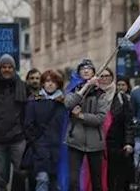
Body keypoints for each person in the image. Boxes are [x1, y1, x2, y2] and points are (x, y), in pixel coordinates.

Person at [0, 54, 29, 191]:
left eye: (10, 67)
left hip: (18, 137)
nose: (7, 70)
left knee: (21, 173)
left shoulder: (23, 88)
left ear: (14, 69)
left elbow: (27, 112)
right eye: (4, 67)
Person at [63, 59, 106, 191]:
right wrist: (86, 87)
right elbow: (68, 104)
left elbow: (100, 118)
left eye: (89, 68)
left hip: (95, 142)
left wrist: (81, 116)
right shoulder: (71, 89)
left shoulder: (100, 94)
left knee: (96, 180)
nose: (86, 71)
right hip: (75, 139)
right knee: (73, 181)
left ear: (94, 73)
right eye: (83, 69)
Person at [23, 69, 69, 191]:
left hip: (59, 149)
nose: (50, 84)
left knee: (57, 184)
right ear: (43, 83)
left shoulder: (64, 103)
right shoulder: (34, 102)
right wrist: (36, 143)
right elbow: (28, 125)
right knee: (42, 180)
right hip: (40, 149)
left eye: (53, 81)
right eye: (47, 81)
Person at [98, 67, 135, 191]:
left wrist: (129, 143)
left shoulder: (121, 98)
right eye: (101, 76)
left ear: (112, 78)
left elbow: (128, 122)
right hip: (98, 144)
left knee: (118, 178)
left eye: (107, 76)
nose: (104, 79)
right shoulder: (94, 95)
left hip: (117, 144)